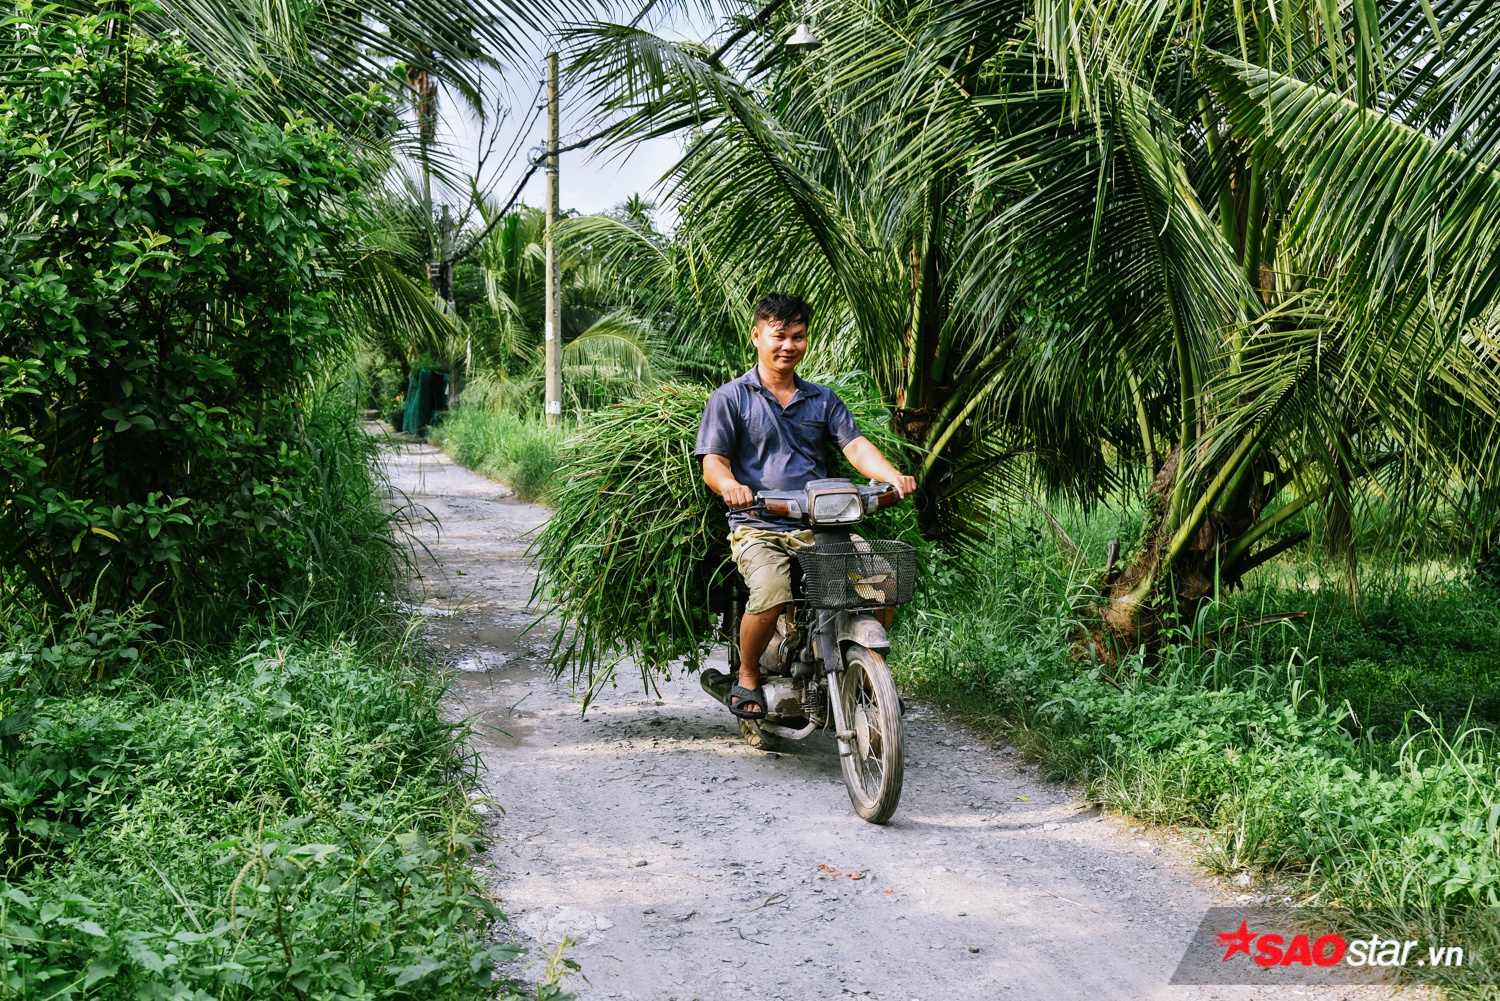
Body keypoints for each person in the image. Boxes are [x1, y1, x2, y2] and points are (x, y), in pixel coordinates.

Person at [694, 293, 916, 719]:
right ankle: (747, 676)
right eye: (778, 336)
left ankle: (863, 672)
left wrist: (890, 475)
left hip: (820, 524)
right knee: (773, 590)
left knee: (883, 581)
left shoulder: (822, 400)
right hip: (759, 524)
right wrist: (731, 486)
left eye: (797, 337)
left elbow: (855, 446)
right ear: (756, 335)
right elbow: (713, 463)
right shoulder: (731, 398)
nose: (788, 346)